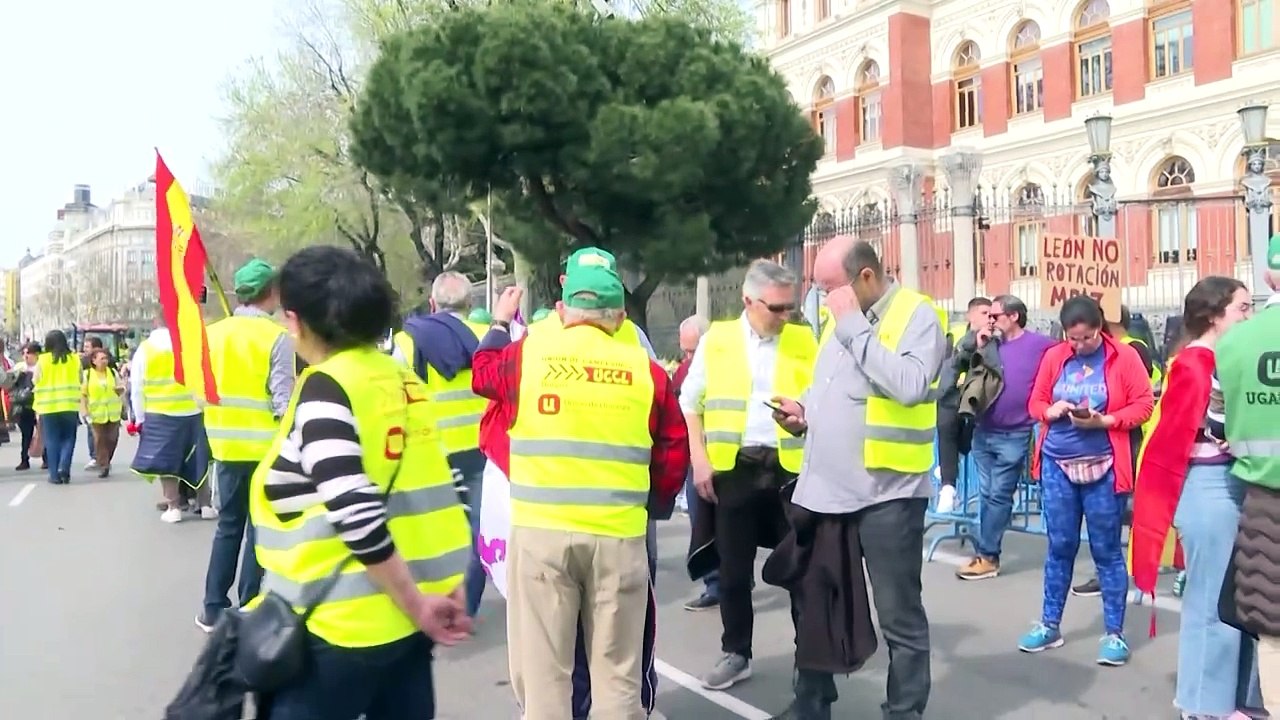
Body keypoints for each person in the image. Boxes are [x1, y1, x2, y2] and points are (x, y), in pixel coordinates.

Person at [247, 245, 474, 720]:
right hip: (408, 627)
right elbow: (448, 487)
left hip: (337, 629)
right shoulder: (403, 380)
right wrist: (447, 586)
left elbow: (356, 512)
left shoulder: (326, 387)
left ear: (296, 321)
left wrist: (416, 604)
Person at [473, 274, 687, 720]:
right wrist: (654, 507)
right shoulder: (646, 373)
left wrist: (498, 322)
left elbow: (483, 375)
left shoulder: (528, 356)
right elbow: (672, 452)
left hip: (542, 537)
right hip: (618, 539)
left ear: (564, 312)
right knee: (617, 677)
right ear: (621, 317)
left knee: (545, 677)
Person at [772, 238, 945, 720]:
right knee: (815, 604)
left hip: (888, 496)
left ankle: (904, 711)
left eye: (830, 288)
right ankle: (812, 703)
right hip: (829, 492)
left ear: (865, 277)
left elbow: (910, 385)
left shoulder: (917, 315)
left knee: (898, 615)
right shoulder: (840, 321)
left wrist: (852, 327)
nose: (824, 298)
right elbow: (830, 383)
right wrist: (803, 410)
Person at [683, 260, 817, 691]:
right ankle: (736, 653)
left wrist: (806, 419)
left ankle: (810, 659)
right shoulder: (718, 340)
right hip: (735, 469)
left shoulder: (802, 338)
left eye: (789, 308)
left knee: (801, 569)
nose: (784, 317)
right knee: (734, 572)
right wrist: (699, 460)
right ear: (748, 301)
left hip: (789, 470)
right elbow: (691, 401)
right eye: (776, 308)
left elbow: (822, 395)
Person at [1130, 277, 1258, 719]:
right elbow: (1188, 433)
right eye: (1242, 308)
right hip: (1208, 486)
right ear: (1213, 316)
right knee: (1212, 601)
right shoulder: (1196, 363)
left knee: (1238, 601)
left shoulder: (1217, 358)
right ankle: (1205, 704)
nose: (1250, 316)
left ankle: (1229, 699)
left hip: (1229, 485)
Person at [1019, 296, 1154, 665]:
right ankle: (1049, 624)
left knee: (1107, 550)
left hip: (1104, 465)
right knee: (1059, 545)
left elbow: (1143, 405)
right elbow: (1035, 403)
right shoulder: (1054, 356)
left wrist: (1105, 421)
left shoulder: (1124, 358)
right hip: (1057, 464)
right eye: (1073, 338)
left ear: (1101, 329)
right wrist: (1051, 411)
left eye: (1087, 338)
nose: (1079, 345)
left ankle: (1115, 633)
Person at [196, 258, 296, 632]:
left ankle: (212, 607)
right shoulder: (277, 337)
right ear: (271, 293)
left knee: (228, 526)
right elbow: (283, 399)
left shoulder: (212, 334)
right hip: (265, 450)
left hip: (224, 448)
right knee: (259, 529)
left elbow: (198, 395)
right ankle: (249, 604)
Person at [393, 270, 491, 618]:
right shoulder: (489, 337)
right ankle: (465, 608)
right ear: (470, 303)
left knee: (432, 535)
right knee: (477, 535)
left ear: (433, 303)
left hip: (431, 454)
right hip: (482, 454)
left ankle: (429, 603)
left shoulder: (406, 344)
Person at [953, 294, 1056, 580]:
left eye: (995, 315)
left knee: (999, 494)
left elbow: (1065, 355)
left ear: (1013, 317)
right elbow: (957, 363)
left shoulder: (1038, 344)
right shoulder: (988, 344)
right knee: (987, 494)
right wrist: (976, 342)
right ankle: (987, 549)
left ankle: (988, 555)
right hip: (983, 430)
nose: (990, 320)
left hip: (1015, 432)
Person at [1222, 234, 1280, 711]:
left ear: (1268, 277)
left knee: (1274, 628)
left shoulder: (1236, 341)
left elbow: (1216, 419)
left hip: (1262, 499)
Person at [129, 317, 214, 522]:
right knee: (198, 459)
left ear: (157, 321)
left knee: (166, 463)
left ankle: (173, 507)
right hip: (193, 412)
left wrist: (138, 417)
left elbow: (137, 387)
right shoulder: (191, 345)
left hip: (160, 413)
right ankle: (205, 505)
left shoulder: (146, 349)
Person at [674, 314, 721, 612]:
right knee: (702, 523)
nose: (688, 357)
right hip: (697, 456)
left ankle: (723, 583)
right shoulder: (685, 372)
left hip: (722, 454)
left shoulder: (719, 363)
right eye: (685, 351)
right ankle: (716, 583)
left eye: (693, 350)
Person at [934, 296, 990, 513]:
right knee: (946, 426)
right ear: (971, 315)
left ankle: (949, 468)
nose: (989, 319)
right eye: (984, 314)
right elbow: (949, 362)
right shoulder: (957, 333)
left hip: (976, 399)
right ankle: (948, 488)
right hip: (952, 396)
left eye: (991, 314)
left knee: (966, 441)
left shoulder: (994, 337)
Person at [33, 330, 82, 485]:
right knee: (69, 438)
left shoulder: (43, 360)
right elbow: (80, 378)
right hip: (69, 405)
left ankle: (54, 475)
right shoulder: (75, 359)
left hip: (49, 407)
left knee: (52, 439)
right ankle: (64, 467)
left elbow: (36, 380)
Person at [79, 348, 123, 478]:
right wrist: (85, 412)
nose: (104, 361)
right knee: (99, 440)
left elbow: (121, 387)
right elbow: (83, 395)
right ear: (94, 360)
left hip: (113, 413)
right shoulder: (87, 375)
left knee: (112, 439)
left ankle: (106, 459)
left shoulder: (113, 373)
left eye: (106, 358)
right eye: (101, 359)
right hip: (96, 414)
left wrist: (121, 389)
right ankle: (104, 465)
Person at [10, 342, 42, 471]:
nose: (25, 356)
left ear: (37, 354)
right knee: (26, 433)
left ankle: (46, 459)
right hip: (24, 406)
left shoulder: (41, 367)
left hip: (39, 404)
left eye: (28, 353)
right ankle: (24, 459)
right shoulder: (19, 367)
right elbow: (10, 383)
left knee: (42, 432)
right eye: (23, 353)